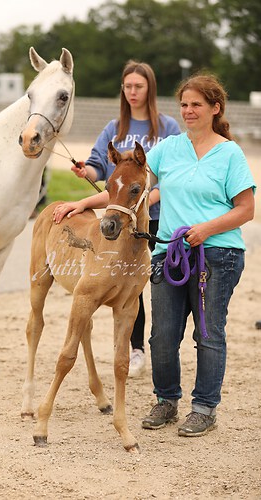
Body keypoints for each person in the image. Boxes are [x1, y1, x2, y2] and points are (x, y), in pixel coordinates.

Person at [141, 73, 256, 437]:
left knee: (208, 333)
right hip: (169, 252)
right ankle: (166, 400)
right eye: (184, 105)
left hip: (217, 254)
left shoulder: (229, 153)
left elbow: (246, 209)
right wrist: (86, 199)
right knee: (162, 335)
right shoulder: (168, 148)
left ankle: (205, 407)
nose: (188, 111)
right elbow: (134, 184)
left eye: (197, 105)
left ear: (215, 108)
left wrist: (206, 229)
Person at [63, 59, 180, 377]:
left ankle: (167, 347)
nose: (132, 91)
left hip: (159, 219)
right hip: (124, 222)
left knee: (163, 286)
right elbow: (99, 167)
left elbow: (173, 175)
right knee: (132, 287)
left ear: (149, 89)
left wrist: (147, 199)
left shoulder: (167, 128)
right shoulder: (114, 129)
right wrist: (84, 171)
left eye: (138, 86)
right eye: (127, 86)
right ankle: (137, 348)